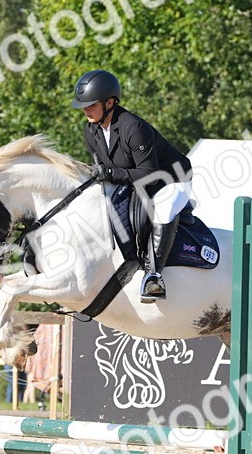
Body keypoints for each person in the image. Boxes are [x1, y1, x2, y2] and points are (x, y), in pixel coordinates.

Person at [72, 70, 193, 303]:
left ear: (110, 103)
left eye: (91, 105)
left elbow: (150, 174)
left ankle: (154, 276)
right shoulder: (91, 129)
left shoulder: (133, 127)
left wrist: (108, 173)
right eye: (83, 105)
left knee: (163, 210)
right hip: (134, 178)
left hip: (171, 179)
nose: (85, 110)